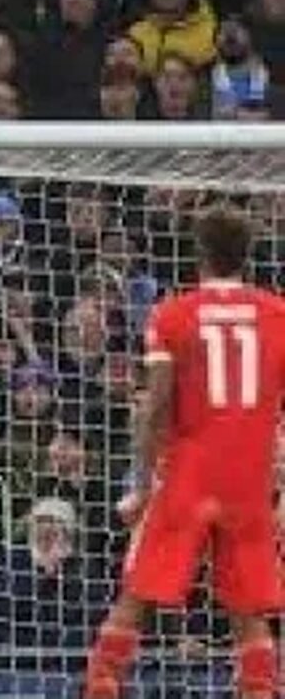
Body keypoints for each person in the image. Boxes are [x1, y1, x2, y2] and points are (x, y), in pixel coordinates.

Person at [83, 209, 285, 699]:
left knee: (136, 598)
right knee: (247, 612)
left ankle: (101, 686)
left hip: (189, 474)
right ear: (247, 254)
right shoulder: (277, 314)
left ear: (198, 253)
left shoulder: (173, 314)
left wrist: (139, 486)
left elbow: (155, 409)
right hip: (248, 478)